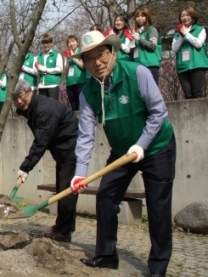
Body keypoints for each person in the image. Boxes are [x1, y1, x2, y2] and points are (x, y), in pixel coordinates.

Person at [70, 31, 175, 276]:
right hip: (121, 152)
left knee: (158, 208)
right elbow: (86, 135)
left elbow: (158, 112)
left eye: (101, 55)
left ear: (113, 52)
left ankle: (158, 268)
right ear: (84, 64)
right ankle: (106, 255)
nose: (97, 63)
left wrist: (142, 144)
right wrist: (80, 173)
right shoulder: (88, 92)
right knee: (105, 197)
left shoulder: (137, 72)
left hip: (157, 146)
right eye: (89, 59)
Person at [12, 79, 79, 242]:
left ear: (30, 92)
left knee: (66, 190)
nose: (19, 101)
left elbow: (41, 141)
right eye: (15, 99)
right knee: (63, 187)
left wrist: (26, 167)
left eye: (21, 96)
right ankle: (64, 226)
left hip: (71, 147)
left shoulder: (43, 109)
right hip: (62, 151)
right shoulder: (33, 108)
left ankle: (63, 232)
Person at [171, 6, 208, 99]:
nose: (184, 18)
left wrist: (187, 34)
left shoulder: (200, 30)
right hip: (182, 67)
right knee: (188, 95)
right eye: (182, 16)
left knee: (197, 93)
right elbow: (174, 49)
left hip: (197, 65)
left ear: (193, 17)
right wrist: (181, 36)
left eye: (187, 15)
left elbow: (198, 44)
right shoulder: (177, 34)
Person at [132, 6, 162, 84]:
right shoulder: (136, 32)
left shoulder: (152, 29)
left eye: (142, 16)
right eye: (137, 16)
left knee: (152, 91)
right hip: (139, 66)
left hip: (150, 65)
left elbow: (152, 46)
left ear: (147, 17)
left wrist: (139, 39)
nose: (139, 18)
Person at [35, 34, 63, 100]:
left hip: (53, 85)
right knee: (43, 108)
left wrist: (46, 70)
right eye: (44, 43)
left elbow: (60, 69)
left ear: (51, 43)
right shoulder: (38, 56)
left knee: (53, 107)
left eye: (47, 42)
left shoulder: (57, 55)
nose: (45, 45)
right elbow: (35, 71)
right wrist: (38, 70)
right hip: (42, 85)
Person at [63, 35, 86, 111]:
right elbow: (65, 71)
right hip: (70, 83)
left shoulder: (81, 51)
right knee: (74, 106)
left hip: (80, 81)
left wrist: (74, 57)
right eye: (69, 42)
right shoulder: (68, 53)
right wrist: (68, 59)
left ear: (77, 42)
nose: (71, 44)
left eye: (73, 41)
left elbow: (83, 66)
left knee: (83, 105)